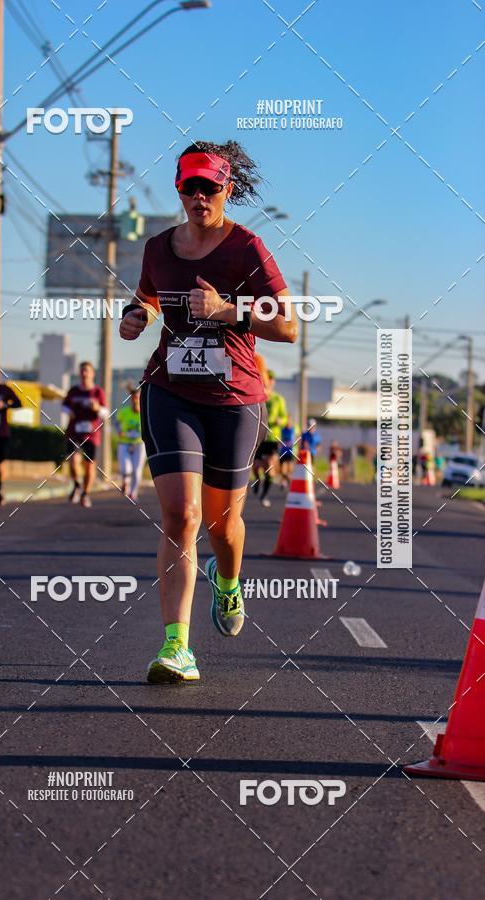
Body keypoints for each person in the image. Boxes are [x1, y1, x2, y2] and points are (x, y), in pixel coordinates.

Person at [119, 139, 298, 683]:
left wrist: (228, 311)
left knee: (223, 526)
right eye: (189, 186)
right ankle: (177, 647)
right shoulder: (158, 247)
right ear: (179, 188)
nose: (199, 196)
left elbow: (288, 326)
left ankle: (228, 579)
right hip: (170, 390)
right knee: (182, 516)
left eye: (210, 187)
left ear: (227, 189)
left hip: (235, 398)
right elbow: (150, 294)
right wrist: (137, 314)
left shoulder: (247, 248)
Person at [62, 361, 108, 508]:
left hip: (91, 434)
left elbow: (106, 413)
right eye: (82, 371)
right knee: (73, 462)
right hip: (74, 432)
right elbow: (64, 406)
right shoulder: (74, 391)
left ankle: (85, 494)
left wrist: (97, 408)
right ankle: (76, 485)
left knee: (89, 466)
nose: (84, 373)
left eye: (87, 370)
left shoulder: (98, 392)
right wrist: (70, 412)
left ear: (92, 374)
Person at [252, 370, 288, 506]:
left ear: (273, 382)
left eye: (271, 379)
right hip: (259, 436)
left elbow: (285, 417)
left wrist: (281, 420)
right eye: (267, 378)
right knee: (256, 467)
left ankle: (264, 495)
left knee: (270, 468)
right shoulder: (257, 397)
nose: (269, 381)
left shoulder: (278, 399)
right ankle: (257, 479)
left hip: (272, 438)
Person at [0, 364, 22, 506]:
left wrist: (4, 405)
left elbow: (18, 403)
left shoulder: (5, 389)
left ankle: (0, 486)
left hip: (0, 432)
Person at [116, 388, 146, 501]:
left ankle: (133, 493)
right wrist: (119, 430)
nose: (135, 400)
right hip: (124, 443)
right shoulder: (124, 412)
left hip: (139, 445)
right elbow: (117, 423)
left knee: (137, 470)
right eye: (133, 398)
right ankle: (126, 483)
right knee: (125, 468)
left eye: (137, 398)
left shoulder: (144, 413)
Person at [279, 419, 297, 488]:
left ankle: (289, 483)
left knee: (290, 470)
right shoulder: (282, 430)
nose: (288, 423)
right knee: (282, 470)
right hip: (283, 452)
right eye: (287, 421)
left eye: (289, 421)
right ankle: (286, 481)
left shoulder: (294, 430)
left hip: (290, 452)